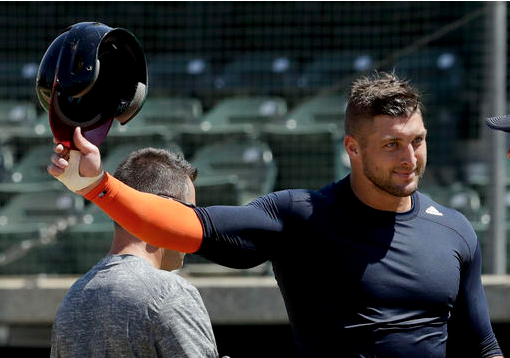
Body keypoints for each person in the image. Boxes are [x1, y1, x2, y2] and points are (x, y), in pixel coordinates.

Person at [48, 72, 504, 358]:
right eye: (392, 145)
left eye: (417, 141)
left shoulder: (455, 229)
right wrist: (97, 186)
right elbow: (184, 226)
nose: (410, 157)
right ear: (353, 149)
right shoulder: (301, 216)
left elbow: (481, 344)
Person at [50, 148, 220, 358]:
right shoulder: (169, 293)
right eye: (191, 212)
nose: (195, 224)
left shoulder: (73, 299)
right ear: (168, 209)